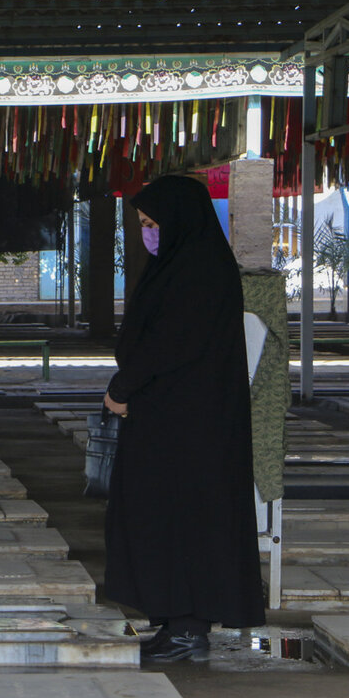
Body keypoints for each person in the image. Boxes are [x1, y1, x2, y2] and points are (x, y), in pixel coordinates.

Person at [103, 174, 265, 662]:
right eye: (143, 225)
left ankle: (188, 629)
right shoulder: (186, 264)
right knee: (163, 519)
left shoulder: (198, 270)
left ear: (178, 221)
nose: (148, 233)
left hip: (191, 428)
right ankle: (177, 623)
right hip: (175, 420)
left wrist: (122, 387)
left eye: (153, 223)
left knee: (182, 520)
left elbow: (167, 343)